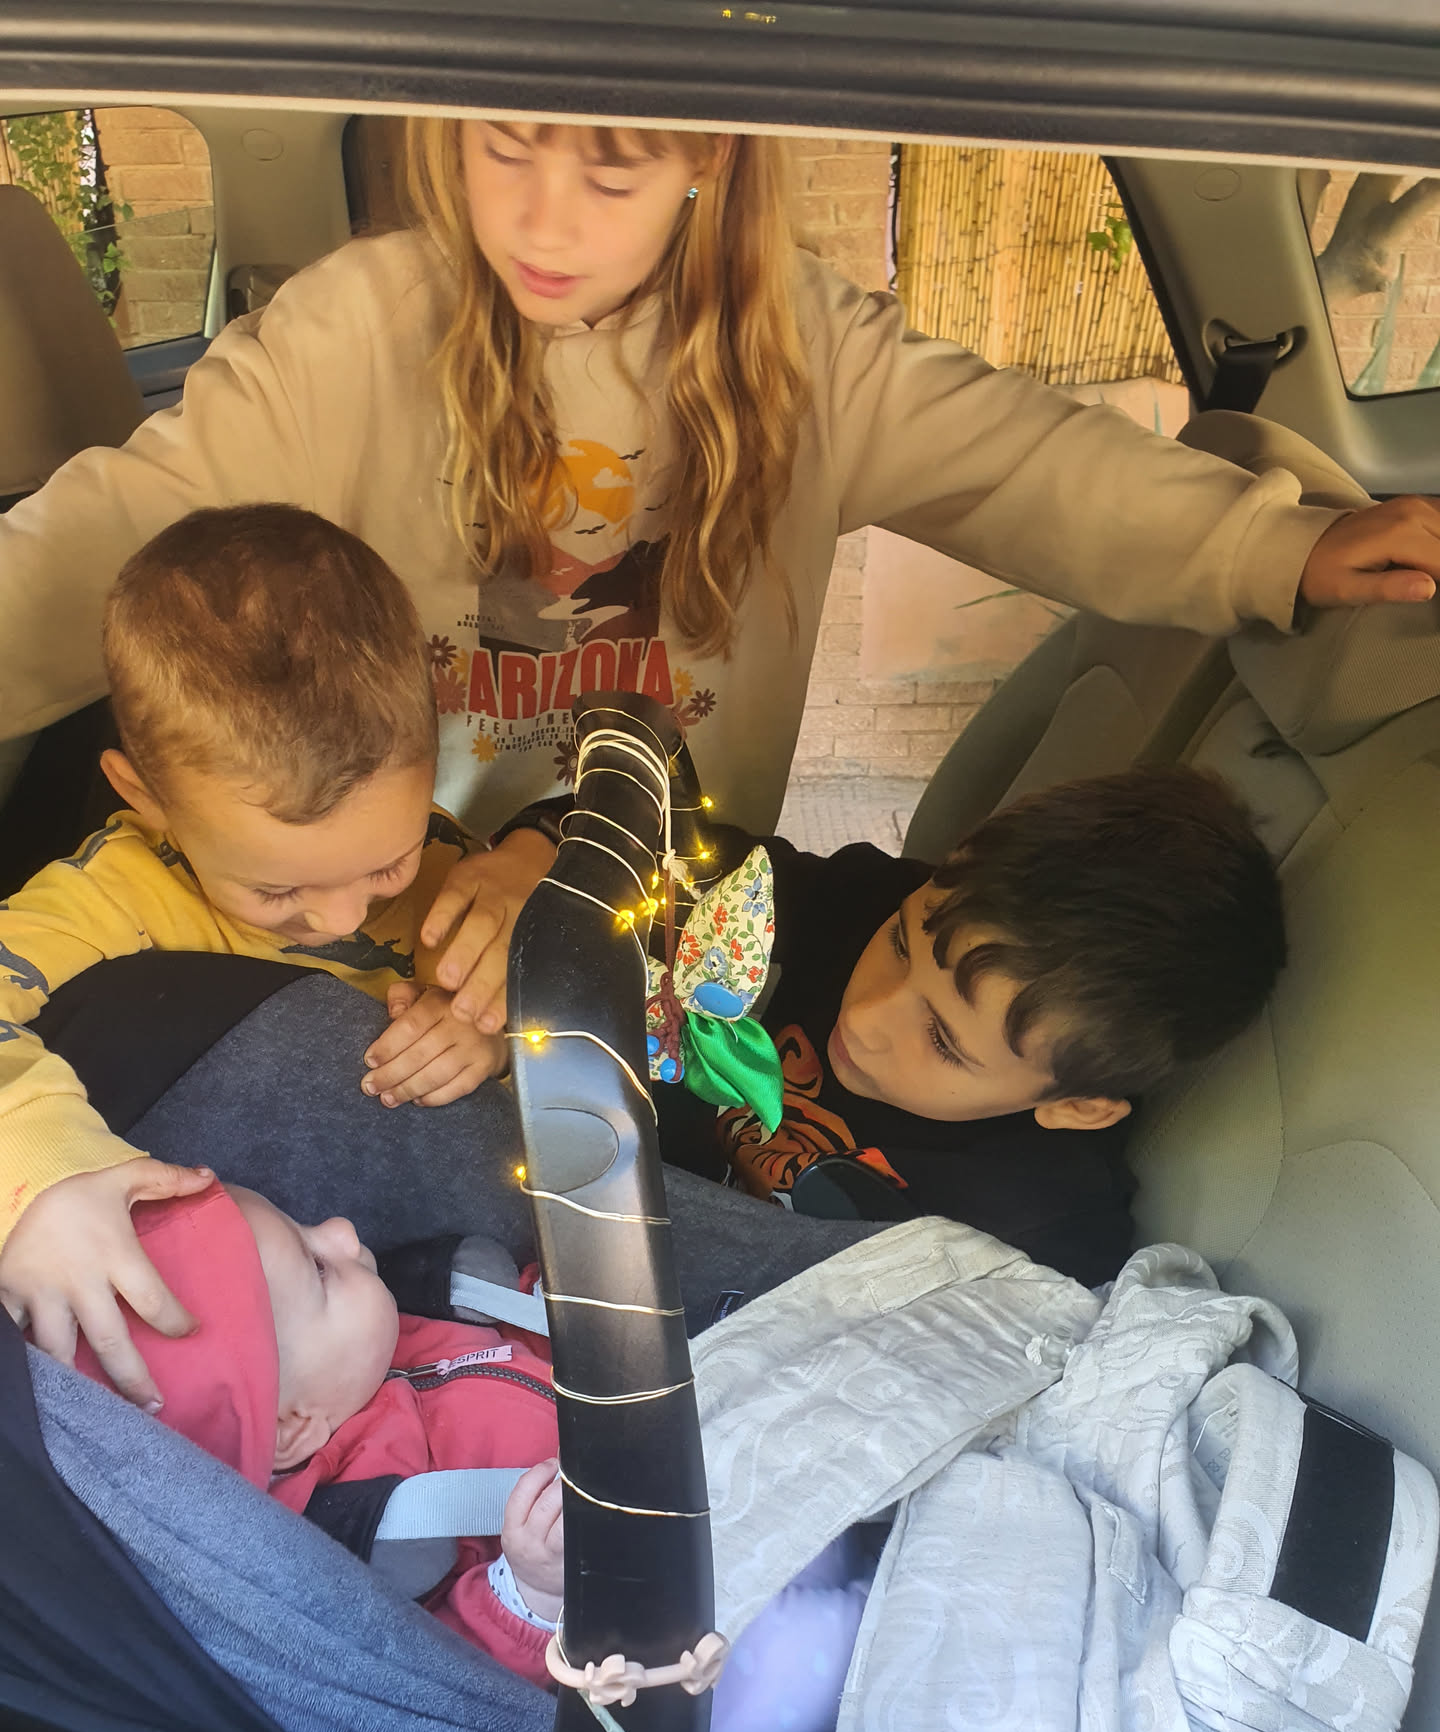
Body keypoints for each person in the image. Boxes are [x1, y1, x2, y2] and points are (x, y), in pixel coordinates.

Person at [3, 116, 1439, 1049]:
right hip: (364, 890)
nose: (544, 225)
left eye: (612, 172)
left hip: (656, 889)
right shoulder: (353, 334)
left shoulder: (804, 353)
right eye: (506, 150)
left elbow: (1027, 468)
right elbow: (115, 536)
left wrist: (1273, 549)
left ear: (706, 155)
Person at [67, 1179, 871, 1732]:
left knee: (821, 1492)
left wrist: (553, 1303)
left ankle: (876, 1549)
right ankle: (886, 1628)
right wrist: (531, 1592)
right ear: (293, 1427)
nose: (342, 1229)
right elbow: (447, 1667)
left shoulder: (395, 1335)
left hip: (694, 1470)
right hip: (661, 1624)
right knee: (776, 1681)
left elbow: (521, 1348)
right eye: (318, 1267)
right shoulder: (364, 1524)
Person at [0, 502, 507, 1392]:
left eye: (386, 865)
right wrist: (42, 1178)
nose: (342, 918)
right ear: (144, 795)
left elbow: (564, 1043)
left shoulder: (451, 865)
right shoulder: (110, 893)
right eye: (276, 892)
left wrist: (488, 1035)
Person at [654, 766, 1285, 1287]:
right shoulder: (869, 902)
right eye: (899, 943)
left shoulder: (1032, 1227)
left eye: (942, 1040)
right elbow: (714, 876)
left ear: (1075, 1107)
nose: (865, 1017)